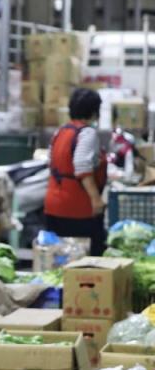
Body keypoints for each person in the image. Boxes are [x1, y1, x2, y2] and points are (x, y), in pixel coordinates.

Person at [44, 88, 107, 256]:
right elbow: (82, 166)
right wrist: (96, 199)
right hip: (77, 207)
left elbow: (52, 161)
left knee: (58, 256)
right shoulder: (87, 133)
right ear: (95, 111)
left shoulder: (61, 131)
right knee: (87, 258)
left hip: (54, 205)